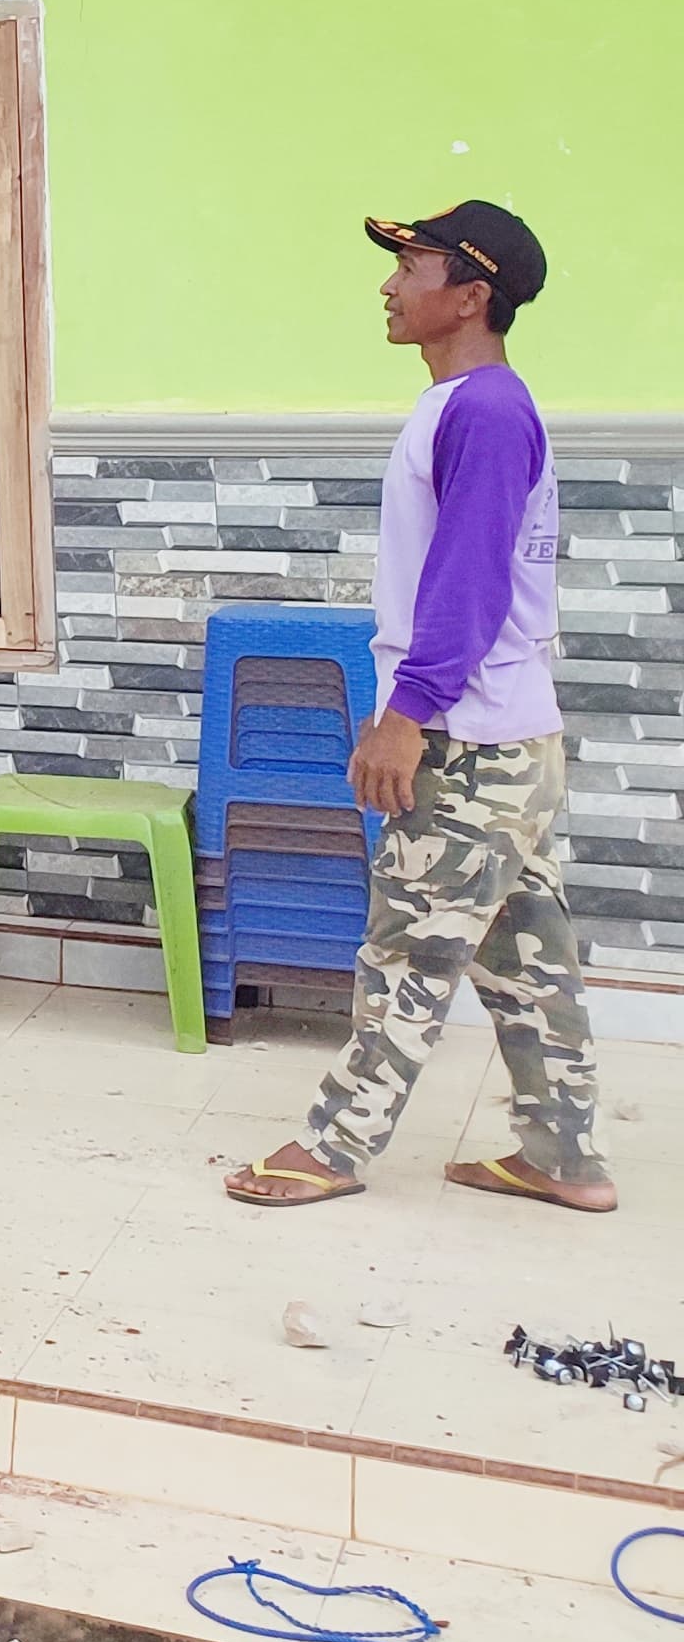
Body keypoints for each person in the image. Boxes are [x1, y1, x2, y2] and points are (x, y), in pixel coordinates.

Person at [228, 204, 613, 1213]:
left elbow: (468, 579)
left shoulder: (478, 410)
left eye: (411, 267)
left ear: (470, 295)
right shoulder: (478, 404)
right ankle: (563, 1157)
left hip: (470, 741)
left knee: (405, 953)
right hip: (516, 737)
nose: (391, 286)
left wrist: (406, 714)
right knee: (531, 962)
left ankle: (335, 1146)